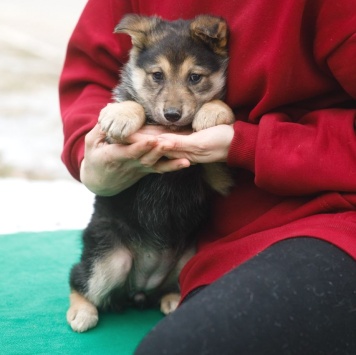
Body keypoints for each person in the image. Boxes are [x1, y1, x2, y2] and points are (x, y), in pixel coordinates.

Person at [59, 0, 356, 353]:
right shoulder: (140, 61)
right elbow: (94, 73)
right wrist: (87, 153)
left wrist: (248, 142)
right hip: (186, 236)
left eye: (194, 79)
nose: (173, 103)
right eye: (157, 78)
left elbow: (219, 176)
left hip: (320, 218)